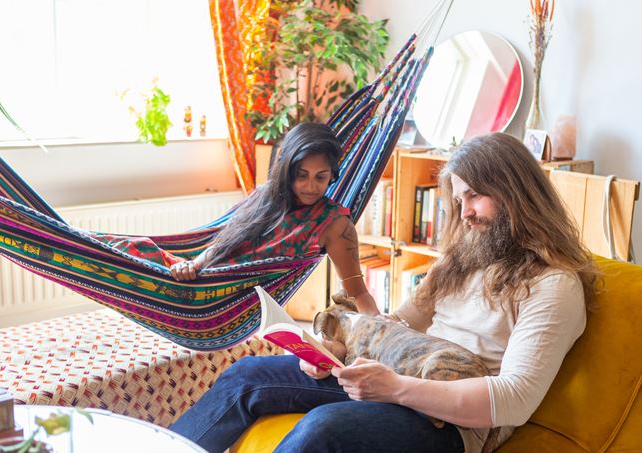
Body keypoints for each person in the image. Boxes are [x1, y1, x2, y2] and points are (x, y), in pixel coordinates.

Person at [169, 132, 599, 453]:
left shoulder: (553, 285)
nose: (466, 213)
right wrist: (336, 348)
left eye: (477, 196)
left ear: (519, 194)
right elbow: (400, 325)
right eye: (460, 199)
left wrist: (394, 388)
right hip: (399, 374)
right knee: (246, 377)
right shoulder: (464, 257)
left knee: (325, 430)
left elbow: (514, 399)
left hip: (451, 423)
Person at [170, 122, 379, 315]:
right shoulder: (266, 196)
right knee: (140, 249)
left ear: (332, 175)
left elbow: (358, 293)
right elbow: (225, 243)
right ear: (287, 170)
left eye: (321, 177)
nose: (310, 186)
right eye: (301, 175)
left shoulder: (334, 223)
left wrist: (383, 329)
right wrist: (193, 265)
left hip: (226, 304)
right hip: (198, 282)